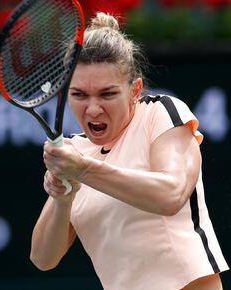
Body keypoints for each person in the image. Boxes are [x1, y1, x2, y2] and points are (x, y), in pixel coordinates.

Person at [30, 12, 229, 290]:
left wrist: (85, 170)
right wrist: (63, 198)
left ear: (135, 90)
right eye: (79, 95)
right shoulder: (75, 152)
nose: (94, 108)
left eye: (107, 94)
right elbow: (43, 258)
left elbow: (171, 194)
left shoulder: (160, 113)